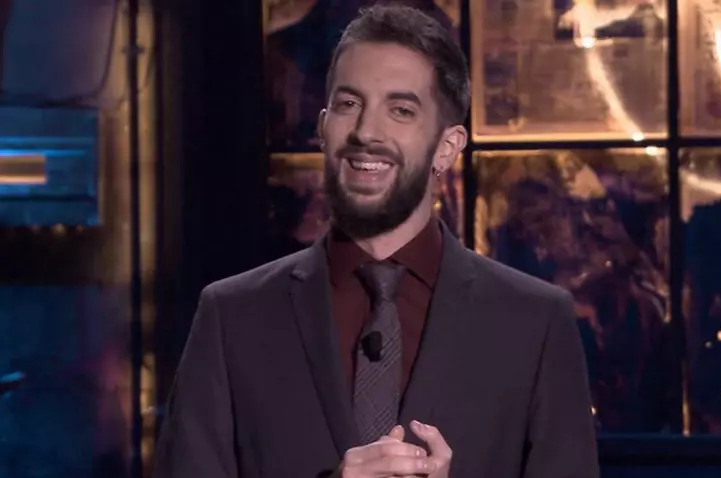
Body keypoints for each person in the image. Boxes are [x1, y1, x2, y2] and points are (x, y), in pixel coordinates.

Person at [153, 5, 598, 477]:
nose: (366, 132)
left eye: (401, 111)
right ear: (323, 127)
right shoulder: (232, 318)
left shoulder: (535, 324)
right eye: (349, 105)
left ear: (446, 147)